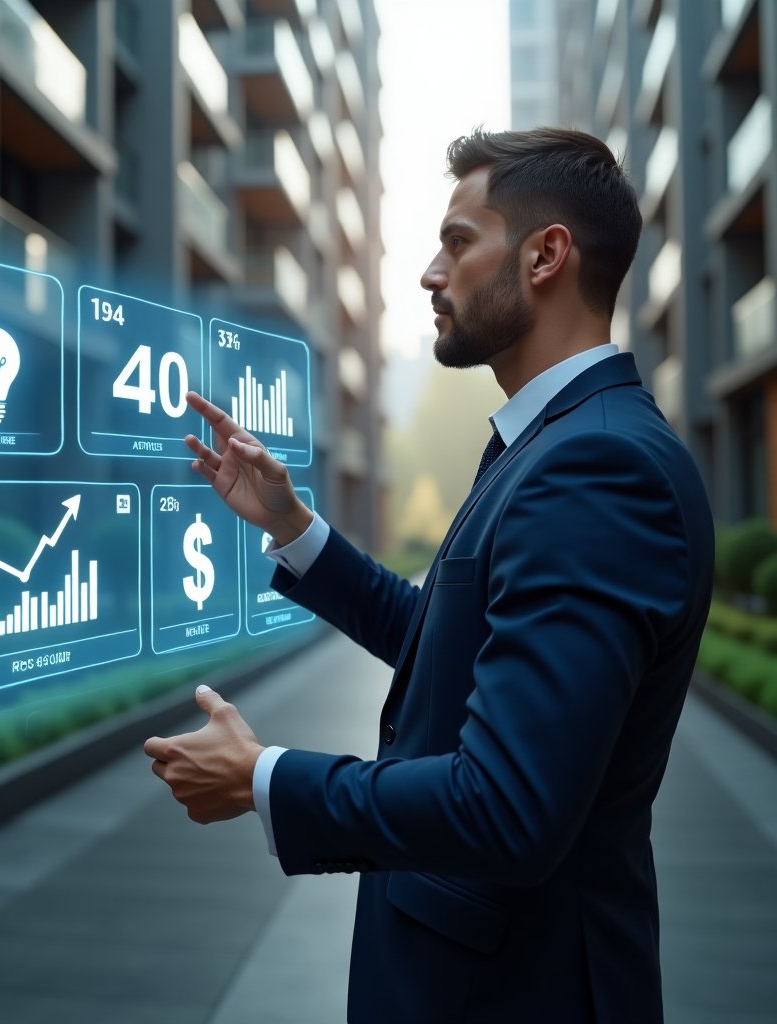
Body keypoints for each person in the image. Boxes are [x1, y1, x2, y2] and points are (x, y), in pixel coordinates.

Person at [144, 127, 714, 1023]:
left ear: (545, 256)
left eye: (457, 241)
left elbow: (507, 805)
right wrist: (294, 531)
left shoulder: (595, 468)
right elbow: (448, 647)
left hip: (512, 993)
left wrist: (265, 778)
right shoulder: (556, 446)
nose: (428, 273)